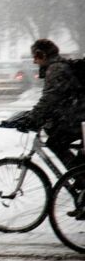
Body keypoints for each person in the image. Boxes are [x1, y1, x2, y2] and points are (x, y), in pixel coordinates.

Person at [23, 39, 85, 172]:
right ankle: (78, 174)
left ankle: (79, 176)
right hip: (79, 117)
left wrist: (32, 117)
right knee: (57, 137)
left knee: (56, 142)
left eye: (35, 57)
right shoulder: (59, 66)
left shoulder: (56, 69)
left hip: (79, 118)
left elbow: (50, 99)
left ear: (42, 55)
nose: (34, 61)